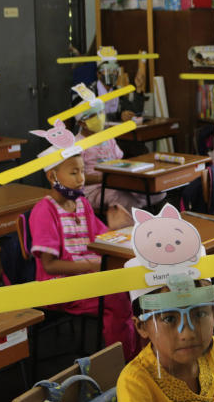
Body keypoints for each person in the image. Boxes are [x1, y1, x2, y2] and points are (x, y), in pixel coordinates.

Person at [28, 150, 138, 362]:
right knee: (117, 298)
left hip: (86, 277)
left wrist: (117, 229)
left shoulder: (82, 204)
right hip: (58, 286)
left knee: (135, 288)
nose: (81, 179)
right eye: (74, 173)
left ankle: (139, 354)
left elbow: (101, 239)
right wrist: (92, 265)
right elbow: (49, 265)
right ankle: (125, 362)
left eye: (82, 172)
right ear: (52, 177)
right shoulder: (43, 211)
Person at [74, 95, 155, 212]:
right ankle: (134, 223)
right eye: (93, 116)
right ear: (81, 122)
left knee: (153, 192)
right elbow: (76, 178)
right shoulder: (77, 145)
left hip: (116, 182)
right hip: (93, 190)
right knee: (124, 200)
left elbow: (119, 160)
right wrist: (102, 178)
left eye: (101, 112)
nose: (99, 117)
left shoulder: (107, 137)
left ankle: (139, 218)